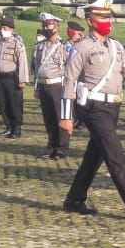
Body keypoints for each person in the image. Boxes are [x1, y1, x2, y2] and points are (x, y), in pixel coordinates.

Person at [59, 0, 125, 223]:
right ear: (90, 21)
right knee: (115, 156)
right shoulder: (82, 47)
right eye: (102, 17)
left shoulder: (116, 46)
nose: (108, 21)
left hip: (113, 107)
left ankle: (74, 199)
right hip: (94, 108)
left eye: (109, 17)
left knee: (94, 157)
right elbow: (69, 81)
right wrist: (66, 117)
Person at [32, 12, 73, 159]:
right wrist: (36, 88)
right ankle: (51, 147)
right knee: (48, 118)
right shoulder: (39, 46)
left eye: (48, 25)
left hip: (58, 86)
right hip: (43, 85)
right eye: (44, 25)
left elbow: (71, 68)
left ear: (56, 26)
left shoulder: (65, 46)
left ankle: (61, 149)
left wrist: (71, 89)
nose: (46, 28)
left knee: (59, 118)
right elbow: (37, 68)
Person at [0, 16, 30, 139]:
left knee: (14, 104)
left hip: (11, 78)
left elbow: (22, 62)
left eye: (5, 27)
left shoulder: (17, 44)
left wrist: (23, 80)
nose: (2, 30)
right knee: (2, 103)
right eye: (1, 27)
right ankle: (8, 127)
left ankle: (16, 128)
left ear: (11, 29)